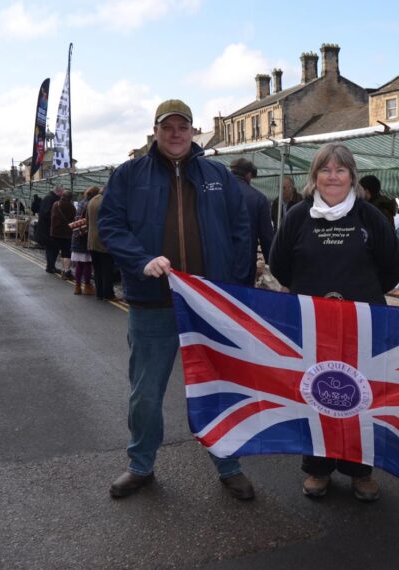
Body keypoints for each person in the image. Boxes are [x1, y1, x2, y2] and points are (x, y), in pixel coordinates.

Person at [98, 99, 255, 501]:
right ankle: (140, 465)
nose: (175, 134)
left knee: (219, 387)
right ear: (155, 131)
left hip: (209, 304)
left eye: (182, 127)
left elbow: (241, 231)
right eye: (167, 127)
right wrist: (141, 260)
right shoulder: (130, 175)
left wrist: (234, 288)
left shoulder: (217, 175)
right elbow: (110, 225)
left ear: (192, 130)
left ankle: (229, 464)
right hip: (153, 302)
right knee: (146, 392)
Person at [269, 143, 399, 502]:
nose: (333, 176)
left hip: (362, 327)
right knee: (316, 393)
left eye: (340, 170)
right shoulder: (298, 216)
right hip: (312, 326)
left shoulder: (368, 216)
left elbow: (394, 265)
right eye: (325, 170)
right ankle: (318, 468)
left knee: (359, 395)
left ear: (351, 176)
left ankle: (360, 471)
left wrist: (365, 295)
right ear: (314, 177)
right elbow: (279, 263)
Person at [230, 158, 274, 285]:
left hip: (219, 259)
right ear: (249, 175)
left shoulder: (218, 193)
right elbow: (266, 236)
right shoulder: (258, 198)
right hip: (245, 261)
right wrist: (272, 263)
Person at [86, 187, 117, 301]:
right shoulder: (106, 202)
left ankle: (99, 293)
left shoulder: (92, 201)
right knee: (107, 269)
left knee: (97, 269)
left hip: (92, 240)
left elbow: (87, 221)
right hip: (104, 241)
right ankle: (108, 294)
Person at [69, 187, 99, 295]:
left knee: (79, 264)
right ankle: (87, 286)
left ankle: (77, 287)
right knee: (87, 264)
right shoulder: (90, 204)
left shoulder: (81, 203)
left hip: (77, 235)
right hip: (85, 236)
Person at [37, 186, 63, 273]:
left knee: (50, 248)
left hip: (45, 228)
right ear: (58, 192)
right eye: (62, 192)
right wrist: (56, 220)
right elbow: (46, 213)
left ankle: (50, 266)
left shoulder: (48, 197)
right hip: (49, 229)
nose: (62, 194)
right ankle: (51, 267)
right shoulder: (52, 199)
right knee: (53, 248)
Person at [50, 190, 76, 280]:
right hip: (66, 233)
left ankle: (63, 270)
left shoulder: (55, 204)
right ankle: (67, 271)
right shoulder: (71, 207)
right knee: (67, 253)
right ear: (70, 198)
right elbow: (74, 219)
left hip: (55, 233)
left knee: (62, 252)